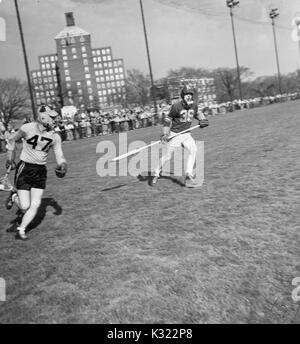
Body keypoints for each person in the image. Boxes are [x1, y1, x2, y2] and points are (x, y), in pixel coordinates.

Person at [5, 105, 68, 240]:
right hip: (25, 168)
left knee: (36, 204)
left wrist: (62, 165)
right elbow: (12, 139)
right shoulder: (28, 128)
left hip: (40, 171)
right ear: (42, 116)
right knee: (25, 206)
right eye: (51, 116)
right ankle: (13, 196)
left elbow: (59, 155)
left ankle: (21, 230)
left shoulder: (55, 136)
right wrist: (10, 158)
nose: (54, 119)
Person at [151, 87, 209, 188]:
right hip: (175, 134)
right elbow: (168, 119)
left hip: (186, 134)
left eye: (190, 95)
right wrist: (165, 133)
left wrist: (202, 119)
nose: (189, 96)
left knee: (193, 150)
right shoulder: (176, 106)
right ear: (183, 96)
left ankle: (188, 174)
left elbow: (197, 113)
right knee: (168, 156)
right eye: (187, 95)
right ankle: (156, 173)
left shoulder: (194, 105)